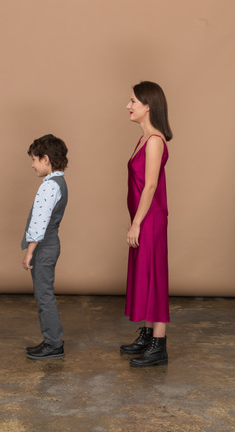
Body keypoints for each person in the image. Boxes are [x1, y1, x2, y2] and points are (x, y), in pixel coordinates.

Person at [120, 81, 173, 367]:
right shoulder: (143, 139)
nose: (128, 106)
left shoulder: (154, 141)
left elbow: (150, 186)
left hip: (150, 220)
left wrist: (136, 223)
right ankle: (149, 335)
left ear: (148, 106)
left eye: (133, 102)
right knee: (146, 275)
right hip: (143, 218)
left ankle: (159, 346)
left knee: (154, 276)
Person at [21, 134, 68, 360]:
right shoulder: (58, 182)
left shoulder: (49, 186)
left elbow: (39, 222)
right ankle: (50, 340)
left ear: (46, 159)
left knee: (44, 296)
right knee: (44, 294)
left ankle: (53, 344)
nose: (32, 164)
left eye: (34, 159)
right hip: (51, 244)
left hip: (44, 247)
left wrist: (30, 251)